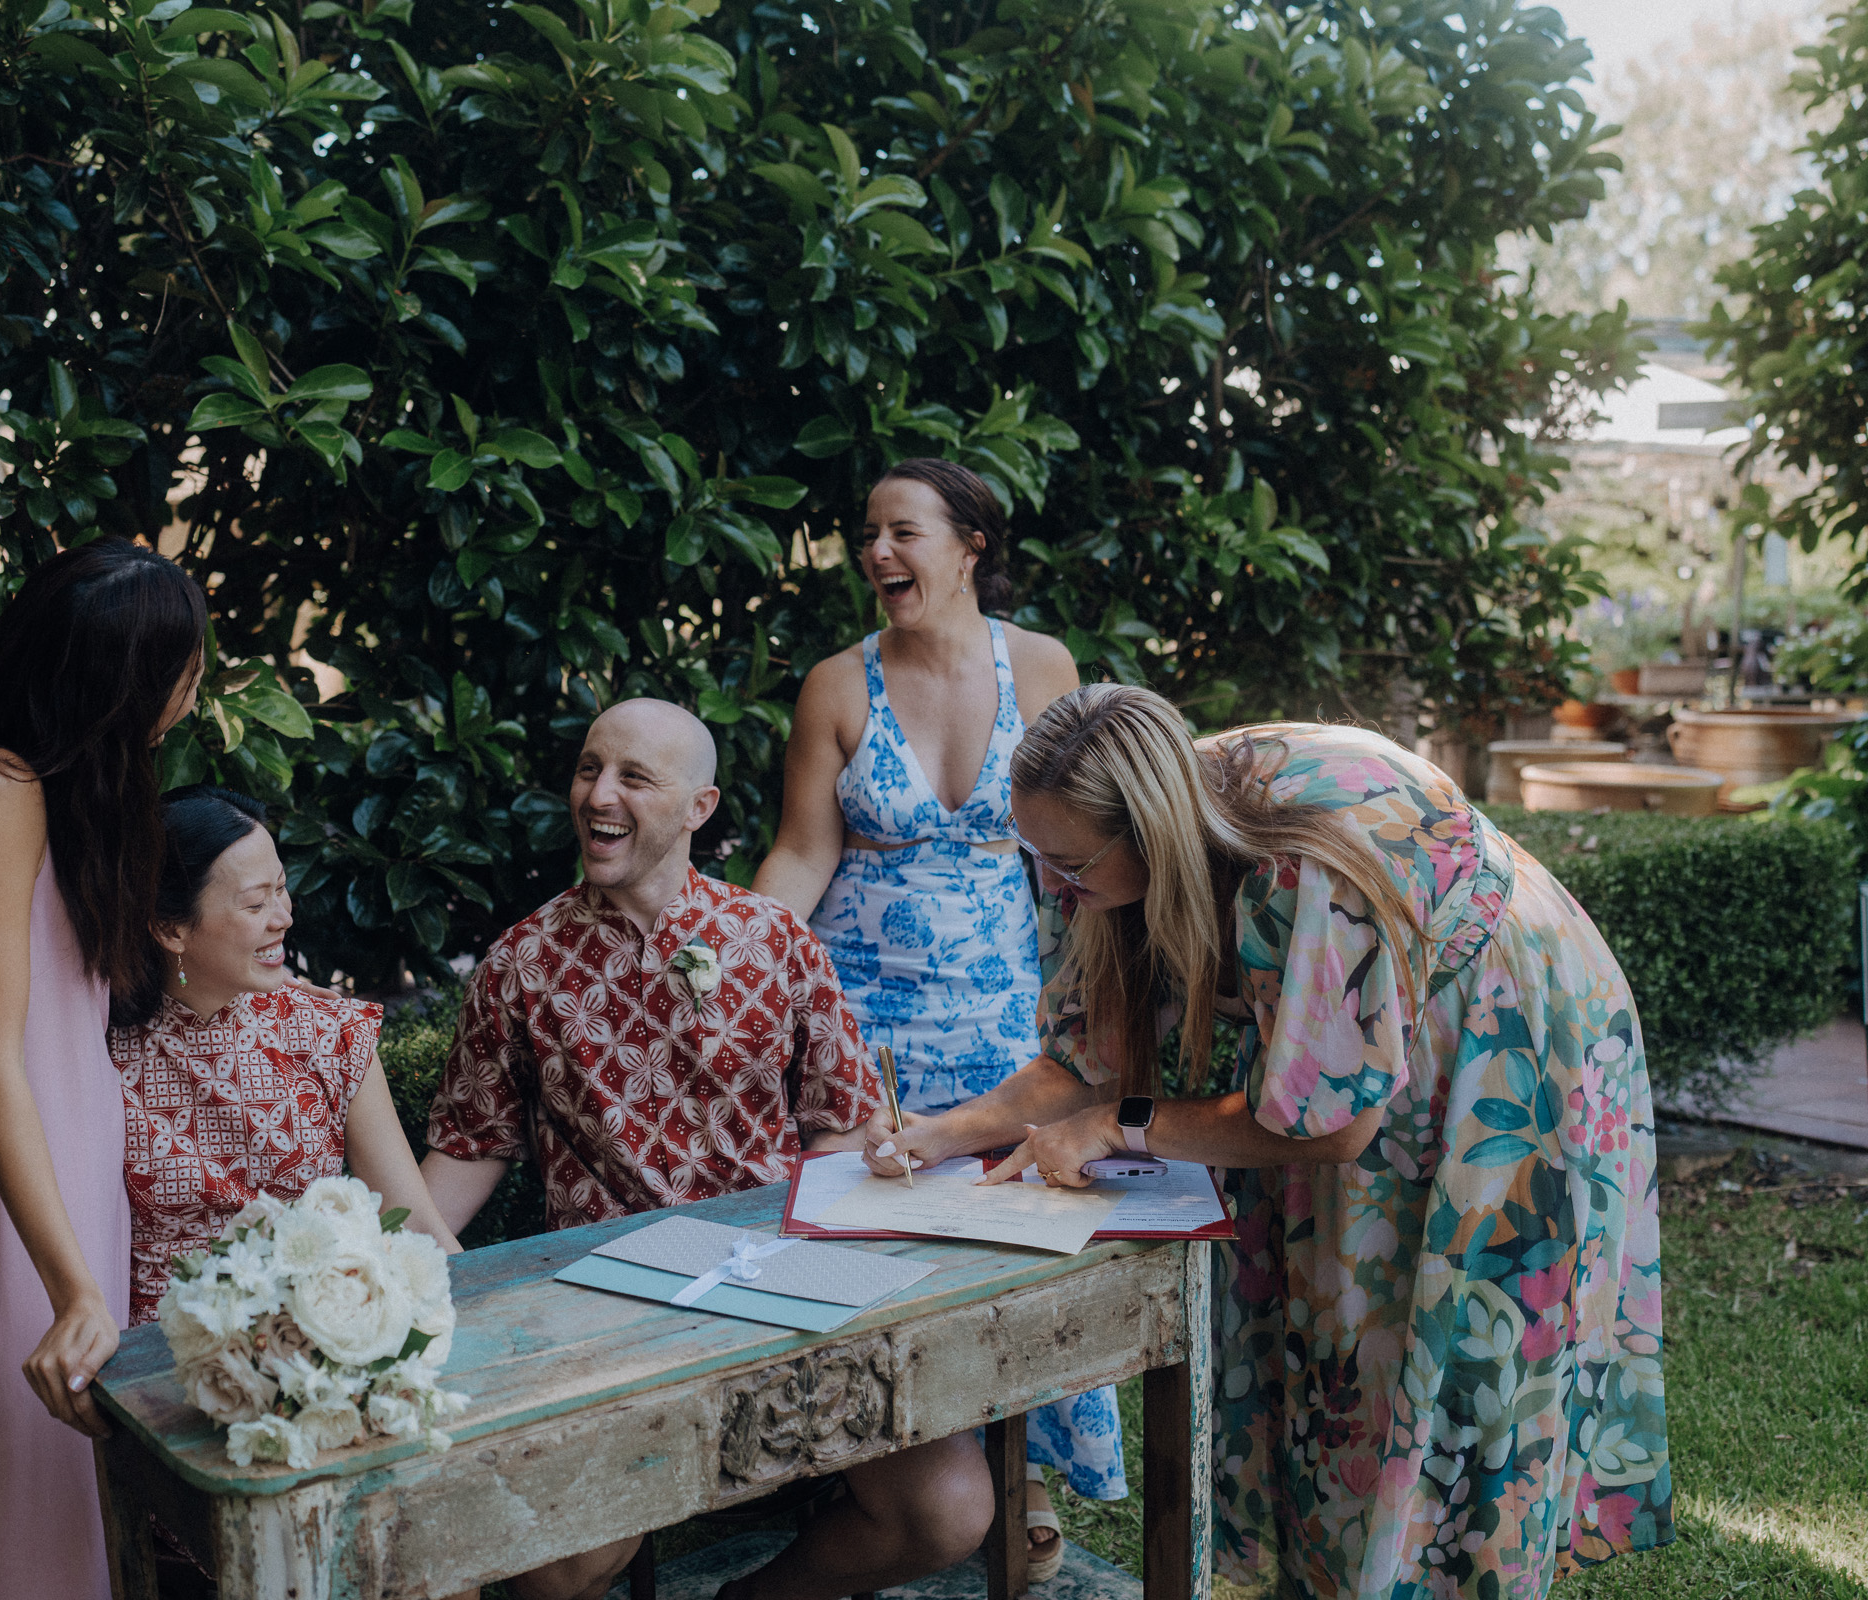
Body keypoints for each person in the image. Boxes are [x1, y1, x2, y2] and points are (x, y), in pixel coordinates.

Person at [867, 685, 1672, 1599]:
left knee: (1435, 1339)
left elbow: (1329, 1130)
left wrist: (1121, 1126)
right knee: (1324, 1335)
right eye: (1035, 854)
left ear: (1149, 833)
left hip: (1498, 1036)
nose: (1049, 886)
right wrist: (942, 1132)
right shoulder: (1091, 857)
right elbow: (1083, 1055)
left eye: (1067, 864)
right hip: (1360, 1049)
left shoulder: (1302, 875)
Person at [419, 698, 995, 1600]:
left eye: (633, 778)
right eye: (587, 769)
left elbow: (839, 1124)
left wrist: (832, 1241)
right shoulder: (521, 964)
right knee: (563, 1567)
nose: (597, 794)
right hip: (614, 1310)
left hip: (779, 1291)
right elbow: (464, 1150)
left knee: (949, 1509)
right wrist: (396, 1261)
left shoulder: (773, 939)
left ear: (700, 807)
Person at [750, 458, 1113, 1572]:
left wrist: (1095, 996)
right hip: (868, 1022)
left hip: (1008, 1008)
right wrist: (732, 957)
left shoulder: (1045, 665)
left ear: (969, 546)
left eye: (901, 531)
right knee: (894, 1245)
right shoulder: (835, 684)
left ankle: (1028, 1467)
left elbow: (1077, 839)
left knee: (1025, 1242)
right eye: (866, 533)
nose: (876, 554)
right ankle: (892, 1463)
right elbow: (807, 851)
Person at [0, 537, 208, 1600]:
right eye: (182, 670)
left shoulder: (50, 794)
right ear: (123, 679)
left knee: (61, 1512)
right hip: (14, 1205)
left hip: (62, 1194)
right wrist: (72, 1285)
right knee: (9, 1518)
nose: (190, 696)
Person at [0, 784, 460, 1325]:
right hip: (145, 1366)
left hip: (320, 1336)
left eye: (282, 889)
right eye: (256, 902)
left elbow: (415, 1226)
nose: (284, 917)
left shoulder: (329, 1031)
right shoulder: (90, 1053)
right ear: (170, 928)